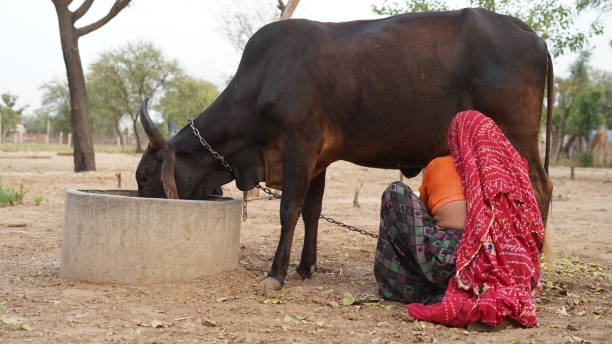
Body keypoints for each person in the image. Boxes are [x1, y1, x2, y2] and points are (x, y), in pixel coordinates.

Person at [374, 110, 545, 328]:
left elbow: (423, 210)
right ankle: (470, 292)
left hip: (449, 257)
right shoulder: (513, 174)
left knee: (395, 192)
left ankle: (405, 287)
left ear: (456, 137)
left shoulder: (440, 164)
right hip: (500, 265)